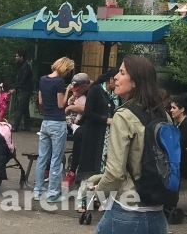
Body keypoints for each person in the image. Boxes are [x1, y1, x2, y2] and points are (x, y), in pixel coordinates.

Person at [87, 56, 171, 234]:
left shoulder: (123, 115)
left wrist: (97, 193)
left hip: (126, 212)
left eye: (122, 72)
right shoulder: (164, 116)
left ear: (135, 82)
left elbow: (115, 173)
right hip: (158, 213)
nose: (115, 77)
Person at [75, 68, 117, 213]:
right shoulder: (95, 90)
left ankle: (98, 199)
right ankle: (81, 200)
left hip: (109, 137)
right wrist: (105, 120)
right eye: (116, 80)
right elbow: (88, 112)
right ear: (111, 79)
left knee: (104, 169)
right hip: (94, 135)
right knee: (89, 168)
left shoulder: (116, 95)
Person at [34, 56, 74, 203]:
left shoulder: (43, 79)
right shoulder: (59, 82)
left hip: (45, 122)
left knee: (42, 158)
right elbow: (61, 104)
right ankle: (52, 193)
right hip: (57, 122)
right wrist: (68, 91)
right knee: (56, 159)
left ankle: (38, 190)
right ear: (65, 69)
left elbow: (40, 101)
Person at [64, 73, 91, 186]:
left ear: (85, 86)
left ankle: (74, 171)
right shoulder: (78, 94)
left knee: (80, 136)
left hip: (87, 123)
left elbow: (86, 108)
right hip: (77, 124)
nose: (76, 91)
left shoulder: (92, 92)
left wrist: (70, 107)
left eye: (78, 88)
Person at [170, 93, 187, 180]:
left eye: (174, 108)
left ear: (182, 109)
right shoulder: (180, 124)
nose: (171, 110)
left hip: (185, 166)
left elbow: (180, 145)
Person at [10, 50, 33, 133]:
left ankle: (15, 126)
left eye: (17, 56)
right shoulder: (21, 66)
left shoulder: (25, 67)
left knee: (21, 107)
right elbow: (19, 79)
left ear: (21, 57)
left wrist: (15, 88)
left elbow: (23, 80)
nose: (16, 58)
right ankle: (27, 125)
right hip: (25, 89)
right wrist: (15, 87)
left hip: (26, 89)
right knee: (25, 107)